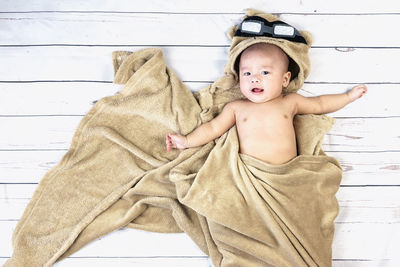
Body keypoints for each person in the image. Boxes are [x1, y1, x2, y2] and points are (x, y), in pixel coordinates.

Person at [166, 42, 367, 165]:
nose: (255, 78)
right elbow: (212, 128)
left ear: (285, 79)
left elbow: (320, 104)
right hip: (252, 174)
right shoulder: (236, 108)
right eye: (247, 73)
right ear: (238, 78)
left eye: (264, 72)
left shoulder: (290, 103)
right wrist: (187, 141)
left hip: (286, 173)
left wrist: (348, 97)